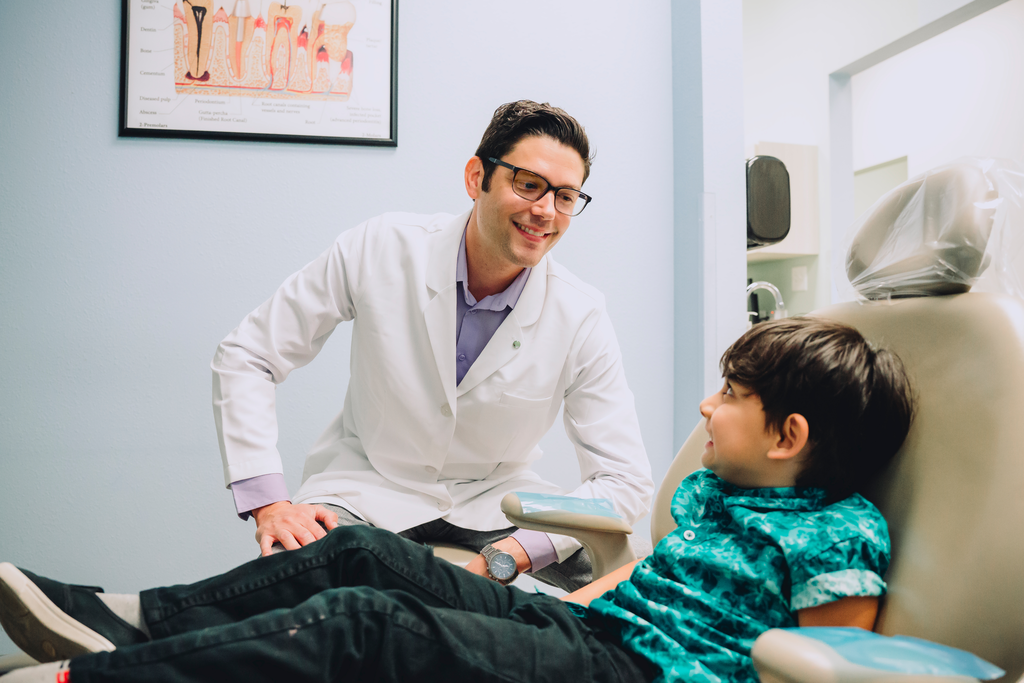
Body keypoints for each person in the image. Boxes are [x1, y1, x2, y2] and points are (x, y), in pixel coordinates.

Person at [0, 318, 915, 683]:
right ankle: (124, 620)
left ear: (789, 436)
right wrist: (535, 601)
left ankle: (93, 678)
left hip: (645, 678)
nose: (707, 407)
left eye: (729, 395)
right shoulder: (719, 488)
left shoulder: (840, 534)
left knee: (370, 621)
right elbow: (646, 576)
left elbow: (827, 662)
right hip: (595, 633)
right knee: (356, 547)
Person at [213, 100, 653, 592]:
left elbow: (625, 481)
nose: (545, 211)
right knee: (291, 582)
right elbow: (249, 354)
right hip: (369, 486)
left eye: (566, 196)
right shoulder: (380, 248)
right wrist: (268, 501)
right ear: (476, 177)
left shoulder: (581, 313)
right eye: (528, 184)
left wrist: (518, 552)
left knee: (639, 593)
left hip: (499, 500)